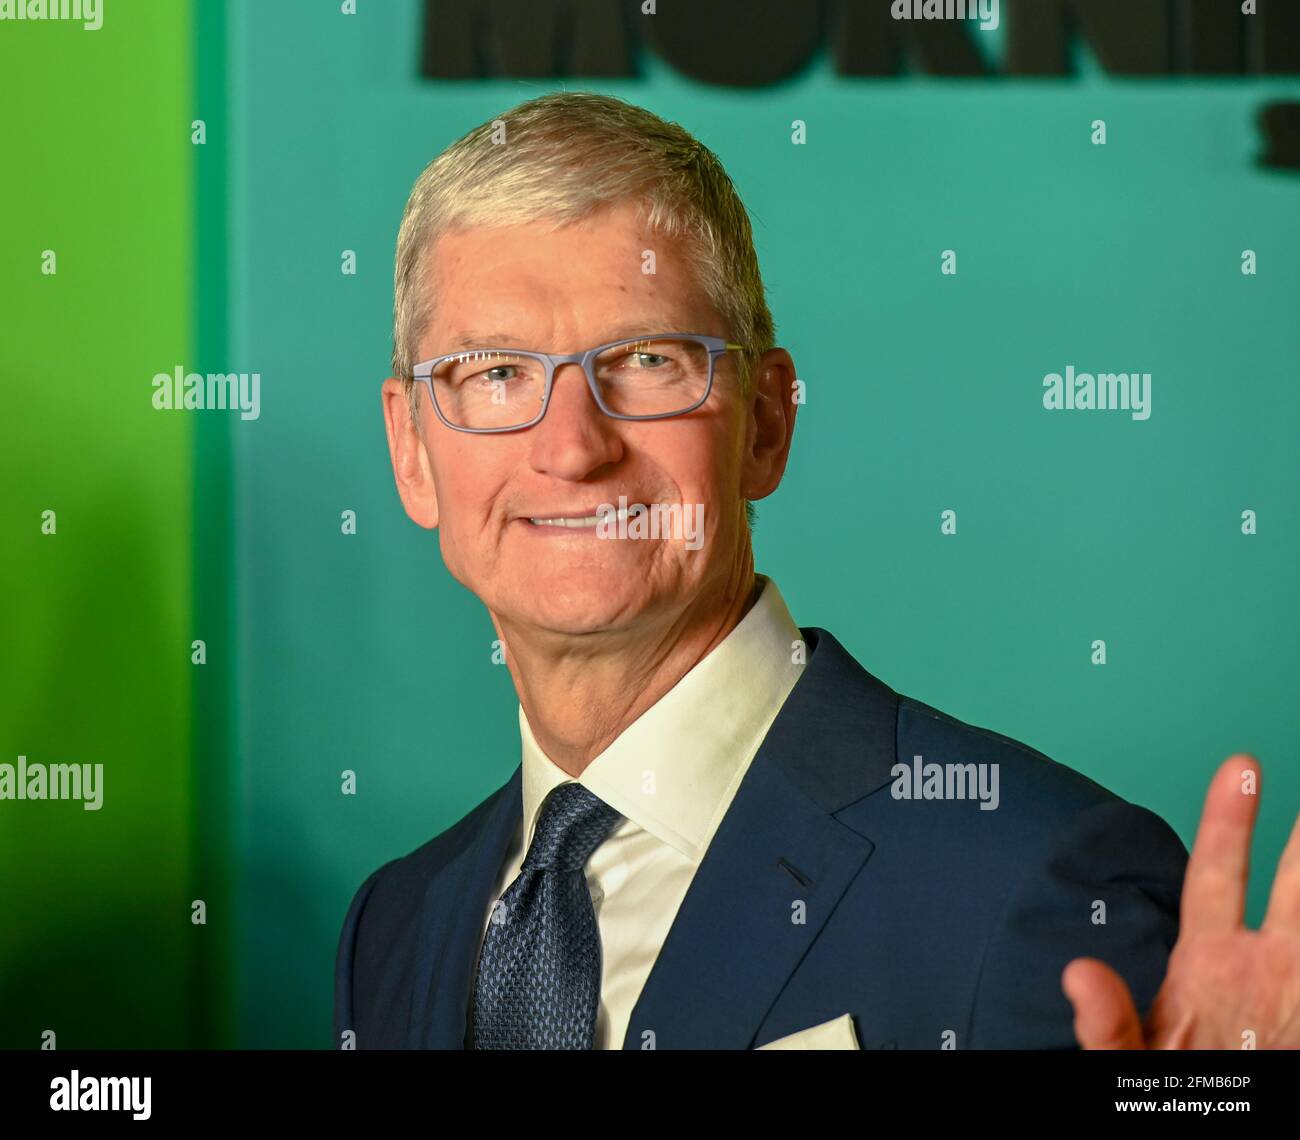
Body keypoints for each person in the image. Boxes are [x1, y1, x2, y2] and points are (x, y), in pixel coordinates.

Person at [334, 91, 1299, 1050]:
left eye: (645, 360)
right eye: (495, 372)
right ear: (411, 448)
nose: (573, 447)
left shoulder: (1036, 881)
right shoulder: (397, 925)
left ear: (766, 423)